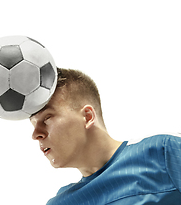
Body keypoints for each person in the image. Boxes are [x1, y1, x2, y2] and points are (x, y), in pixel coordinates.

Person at [30, 68, 181, 204]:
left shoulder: (163, 151)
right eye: (33, 124)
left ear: (88, 117)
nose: (36, 134)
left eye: (47, 118)